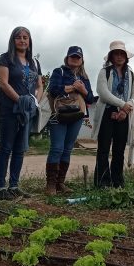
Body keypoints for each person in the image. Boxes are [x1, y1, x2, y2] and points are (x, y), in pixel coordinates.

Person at [0, 26, 43, 200]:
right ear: (13, 40)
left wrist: (35, 101)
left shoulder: (34, 62)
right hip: (10, 108)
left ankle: (14, 185)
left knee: (20, 149)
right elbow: (4, 83)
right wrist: (20, 100)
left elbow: (39, 85)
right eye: (18, 37)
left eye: (25, 37)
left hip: (27, 112)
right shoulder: (6, 58)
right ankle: (1, 187)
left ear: (30, 41)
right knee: (6, 147)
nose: (22, 40)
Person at [45, 46, 95, 195]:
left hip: (77, 116)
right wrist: (73, 87)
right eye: (72, 56)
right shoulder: (58, 72)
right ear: (67, 58)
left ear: (82, 60)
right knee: (57, 148)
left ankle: (60, 182)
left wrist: (83, 89)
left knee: (67, 149)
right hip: (58, 114)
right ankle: (50, 184)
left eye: (78, 57)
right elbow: (53, 89)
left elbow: (91, 98)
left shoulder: (84, 78)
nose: (75, 59)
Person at [92, 41, 134, 188]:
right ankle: (102, 182)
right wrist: (122, 104)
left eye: (122, 54)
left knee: (119, 150)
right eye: (116, 53)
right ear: (111, 56)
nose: (119, 56)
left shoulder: (132, 75)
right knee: (104, 149)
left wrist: (126, 109)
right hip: (107, 112)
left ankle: (118, 182)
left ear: (126, 56)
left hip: (125, 115)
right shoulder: (104, 71)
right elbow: (102, 92)